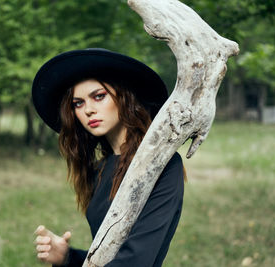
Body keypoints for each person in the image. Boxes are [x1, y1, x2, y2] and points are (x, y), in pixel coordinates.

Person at [31, 48, 185, 267]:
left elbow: (137, 260)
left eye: (99, 96)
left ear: (125, 98)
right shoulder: (98, 170)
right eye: (78, 103)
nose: (88, 110)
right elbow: (108, 255)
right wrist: (68, 257)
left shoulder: (163, 165)